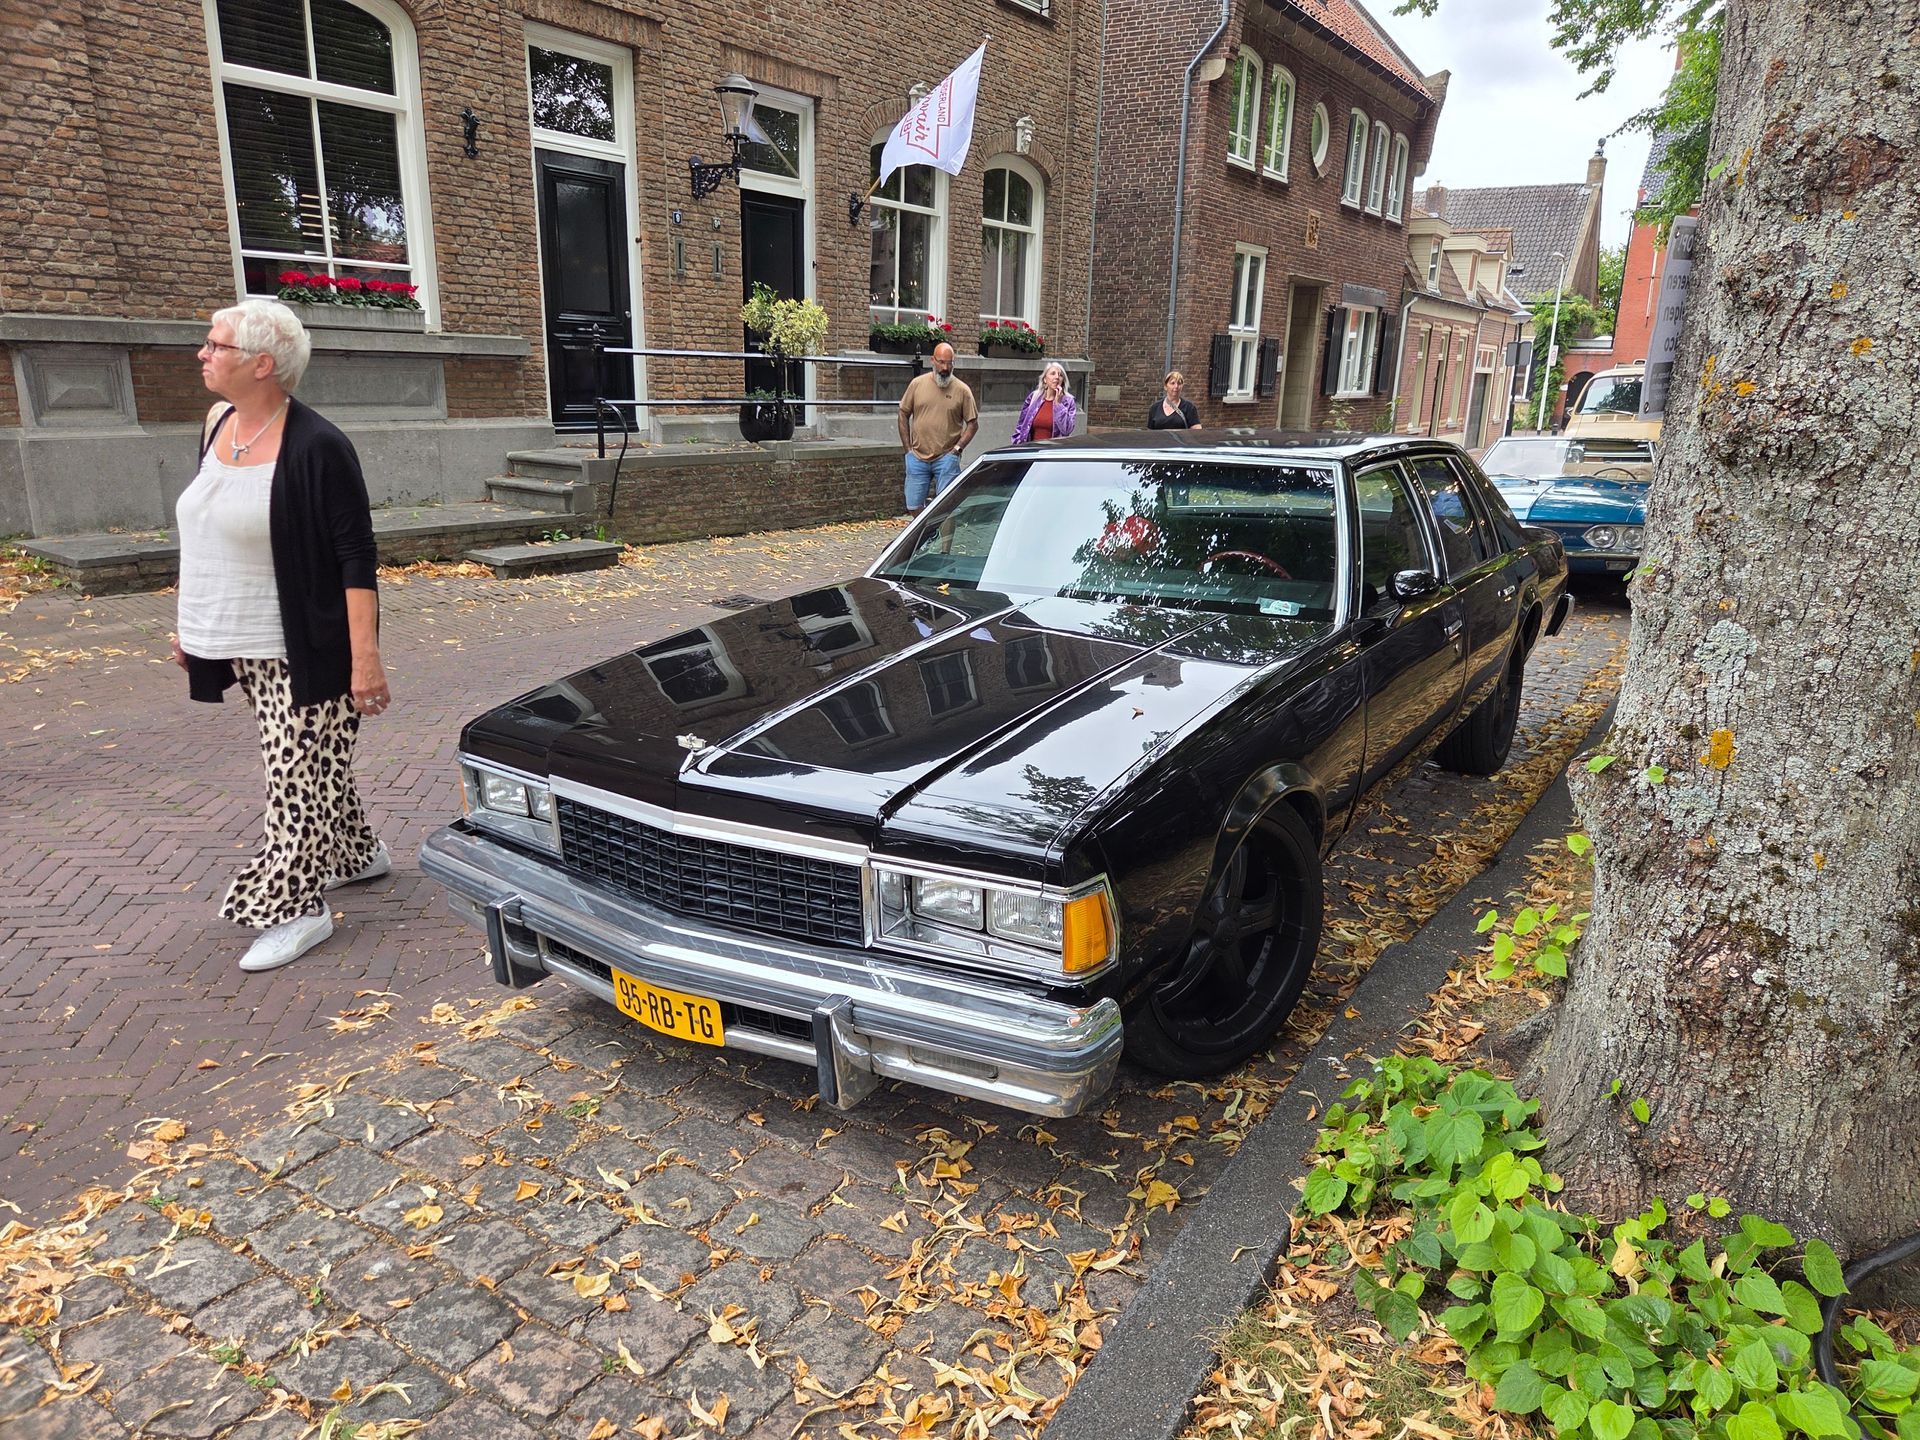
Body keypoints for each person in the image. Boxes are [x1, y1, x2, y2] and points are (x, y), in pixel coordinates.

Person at [170, 298, 391, 973]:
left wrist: (365, 660)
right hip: (238, 640)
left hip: (306, 648)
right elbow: (209, 532)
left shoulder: (320, 446)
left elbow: (355, 557)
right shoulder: (217, 424)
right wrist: (193, 625)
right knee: (311, 764)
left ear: (262, 364)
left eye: (217, 344)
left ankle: (297, 908)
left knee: (293, 777)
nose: (204, 353)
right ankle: (357, 854)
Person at [897, 342, 978, 514]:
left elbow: (973, 424)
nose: (945, 368)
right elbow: (903, 413)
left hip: (946, 458)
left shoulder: (962, 390)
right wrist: (908, 450)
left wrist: (957, 450)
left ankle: (943, 532)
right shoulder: (917, 384)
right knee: (913, 505)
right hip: (917, 456)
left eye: (949, 363)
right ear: (932, 360)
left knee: (947, 508)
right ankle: (930, 529)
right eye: (941, 362)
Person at [1010, 362, 1077, 444]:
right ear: (1045, 379)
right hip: (1032, 449)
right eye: (1053, 373)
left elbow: (1067, 430)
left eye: (1060, 375)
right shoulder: (1034, 397)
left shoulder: (1068, 401)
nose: (1057, 377)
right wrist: (1017, 444)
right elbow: (1021, 425)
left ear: (1062, 381)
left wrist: (1058, 404)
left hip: (1053, 450)